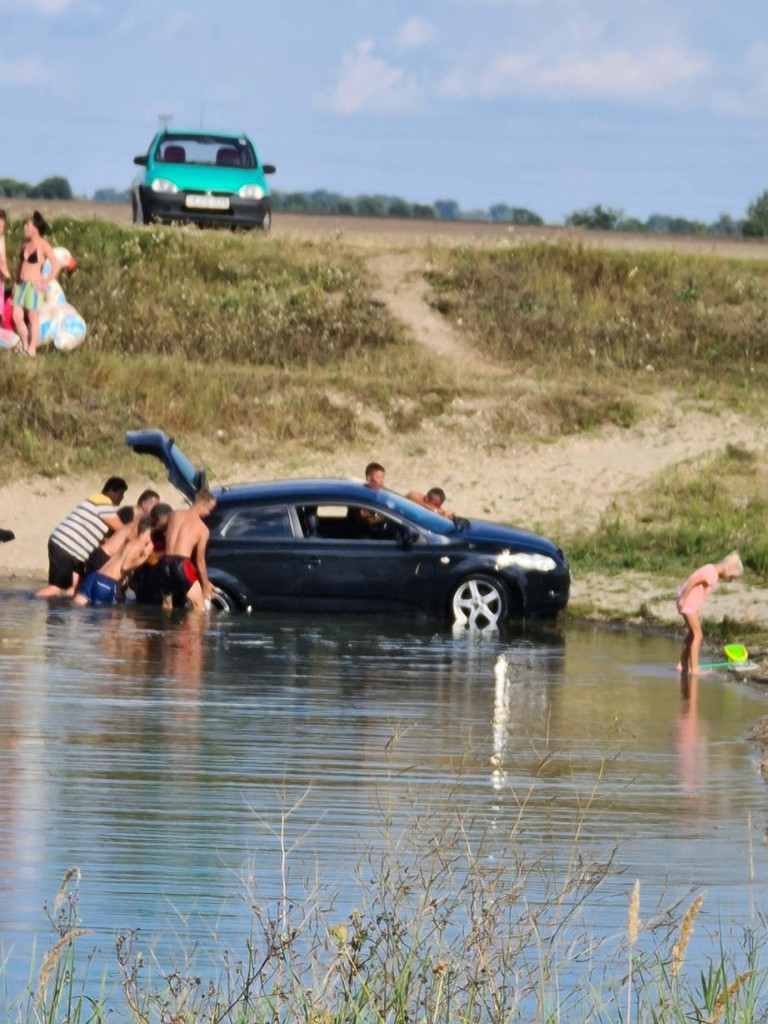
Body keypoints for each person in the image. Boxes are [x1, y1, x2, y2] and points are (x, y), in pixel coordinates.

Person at [36, 477, 128, 598]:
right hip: (66, 547)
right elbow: (121, 529)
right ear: (110, 491)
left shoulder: (100, 504)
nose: (122, 498)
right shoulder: (102, 501)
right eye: (120, 493)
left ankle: (62, 607)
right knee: (58, 587)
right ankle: (31, 602)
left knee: (77, 587)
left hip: (72, 551)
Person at [676, 551, 743, 675]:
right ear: (729, 569)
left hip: (688, 603)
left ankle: (682, 664)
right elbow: (694, 581)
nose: (729, 580)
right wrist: (684, 599)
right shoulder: (712, 574)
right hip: (687, 604)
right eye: (731, 577)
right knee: (698, 635)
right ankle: (694, 668)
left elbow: (697, 586)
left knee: (692, 634)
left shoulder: (710, 568)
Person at [74, 518, 154, 608]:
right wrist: (144, 556)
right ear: (149, 532)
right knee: (104, 615)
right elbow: (125, 566)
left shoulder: (129, 542)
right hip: (107, 583)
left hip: (94, 576)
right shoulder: (140, 544)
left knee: (76, 607)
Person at [159, 489, 217, 611]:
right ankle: (191, 625)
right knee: (198, 607)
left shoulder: (174, 515)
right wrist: (205, 583)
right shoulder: (202, 529)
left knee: (167, 604)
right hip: (182, 565)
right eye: (209, 510)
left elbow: (160, 524)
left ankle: (164, 624)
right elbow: (200, 560)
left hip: (165, 563)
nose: (209, 514)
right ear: (202, 505)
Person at [12, 211, 59, 358]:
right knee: (17, 316)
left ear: (35, 229)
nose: (25, 227)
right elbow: (20, 265)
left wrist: (46, 281)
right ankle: (25, 344)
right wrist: (15, 282)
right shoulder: (24, 244)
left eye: (28, 225)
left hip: (34, 285)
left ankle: (32, 349)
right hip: (21, 284)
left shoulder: (43, 245)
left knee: (33, 317)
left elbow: (55, 264)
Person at [84, 488, 160, 576]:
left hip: (111, 558)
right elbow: (124, 536)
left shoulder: (139, 519)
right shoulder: (126, 513)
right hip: (105, 556)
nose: (156, 510)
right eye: (154, 506)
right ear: (143, 504)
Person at [131, 502, 172, 606]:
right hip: (145, 578)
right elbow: (146, 557)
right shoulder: (148, 532)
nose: (171, 520)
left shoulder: (164, 534)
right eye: (169, 517)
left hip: (154, 578)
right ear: (160, 517)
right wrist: (166, 553)